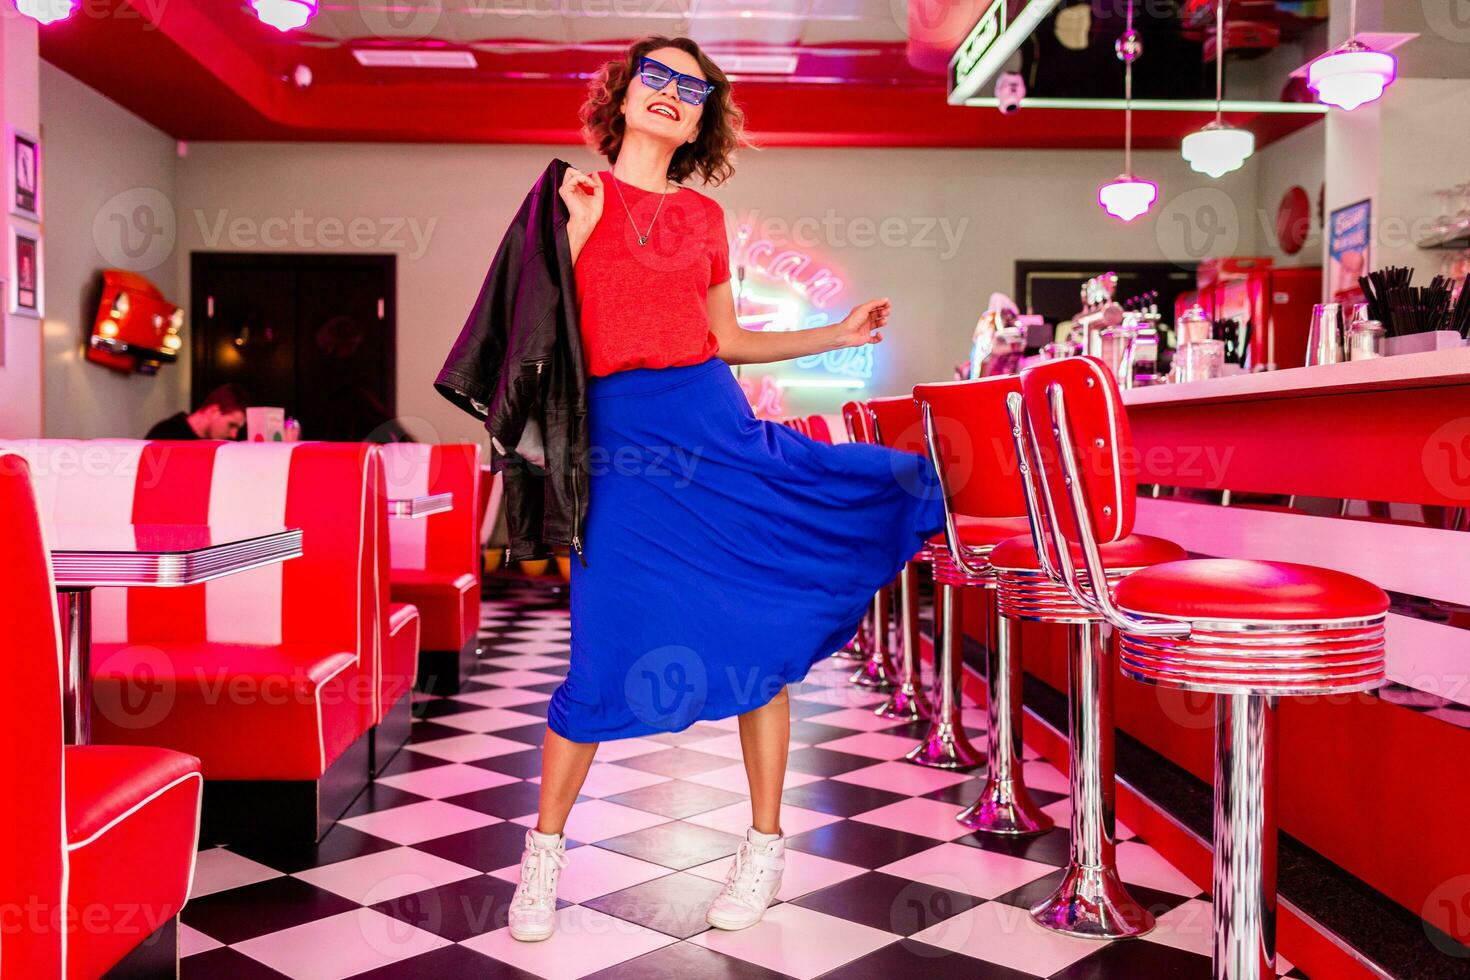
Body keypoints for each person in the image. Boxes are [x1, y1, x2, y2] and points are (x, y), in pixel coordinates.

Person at [481, 36, 946, 942]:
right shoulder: (570, 196)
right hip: (617, 450)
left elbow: (724, 339)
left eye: (690, 89)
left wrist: (835, 332)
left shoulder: (702, 219)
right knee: (598, 653)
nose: (671, 95)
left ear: (701, 116)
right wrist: (573, 233)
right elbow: (537, 335)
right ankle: (542, 858)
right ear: (621, 97)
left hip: (710, 428)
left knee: (757, 628)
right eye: (655, 77)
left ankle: (763, 848)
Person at [145, 384, 248, 440]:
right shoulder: (166, 434)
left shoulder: (215, 444)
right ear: (213, 411)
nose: (234, 435)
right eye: (231, 425)